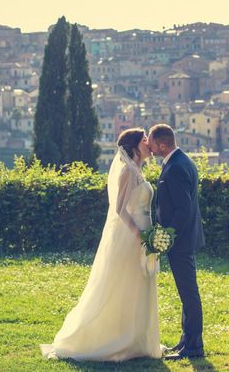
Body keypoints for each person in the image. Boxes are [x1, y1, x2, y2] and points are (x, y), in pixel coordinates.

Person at [40, 128, 166, 361]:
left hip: (146, 235)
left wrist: (152, 234)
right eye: (144, 139)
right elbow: (119, 209)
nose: (149, 143)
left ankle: (139, 339)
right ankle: (116, 339)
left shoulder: (139, 170)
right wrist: (139, 234)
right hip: (131, 237)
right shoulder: (128, 171)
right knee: (124, 285)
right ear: (135, 145)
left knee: (140, 285)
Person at [148, 123, 206, 359]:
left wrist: (167, 236)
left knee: (189, 293)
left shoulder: (175, 168)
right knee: (186, 293)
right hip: (184, 239)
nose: (149, 148)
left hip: (180, 242)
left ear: (162, 144)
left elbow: (183, 209)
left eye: (151, 143)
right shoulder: (181, 161)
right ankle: (186, 341)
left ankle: (194, 347)